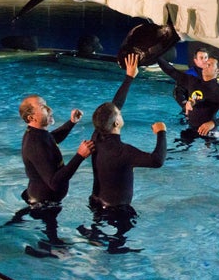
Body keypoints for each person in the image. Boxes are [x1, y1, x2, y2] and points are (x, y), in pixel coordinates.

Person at [81, 54, 167, 253]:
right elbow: (157, 161)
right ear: (117, 124)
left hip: (95, 202)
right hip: (116, 211)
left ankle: (94, 238)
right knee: (119, 243)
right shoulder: (124, 152)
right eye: (119, 115)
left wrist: (130, 77)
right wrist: (161, 132)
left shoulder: (97, 136)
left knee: (98, 233)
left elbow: (113, 108)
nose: (121, 113)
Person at [16, 94, 94, 245]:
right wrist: (80, 156)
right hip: (44, 204)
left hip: (44, 199)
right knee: (54, 246)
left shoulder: (38, 134)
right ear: (32, 118)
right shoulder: (35, 143)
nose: (49, 109)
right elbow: (55, 182)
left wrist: (71, 123)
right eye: (43, 107)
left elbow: (52, 139)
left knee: (52, 240)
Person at [157, 55, 219, 140]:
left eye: (209, 65)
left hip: (209, 132)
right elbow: (171, 71)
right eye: (206, 63)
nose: (205, 66)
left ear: (217, 70)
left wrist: (213, 123)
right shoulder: (193, 81)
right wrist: (156, 56)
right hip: (191, 129)